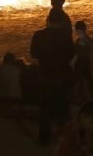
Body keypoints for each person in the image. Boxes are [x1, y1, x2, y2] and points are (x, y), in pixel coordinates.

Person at [30, 14, 75, 145]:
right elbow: (71, 54)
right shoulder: (65, 37)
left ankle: (44, 138)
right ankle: (64, 137)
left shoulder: (39, 35)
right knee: (63, 108)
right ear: (60, 23)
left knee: (45, 108)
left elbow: (33, 53)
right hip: (62, 75)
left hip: (46, 75)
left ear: (47, 21)